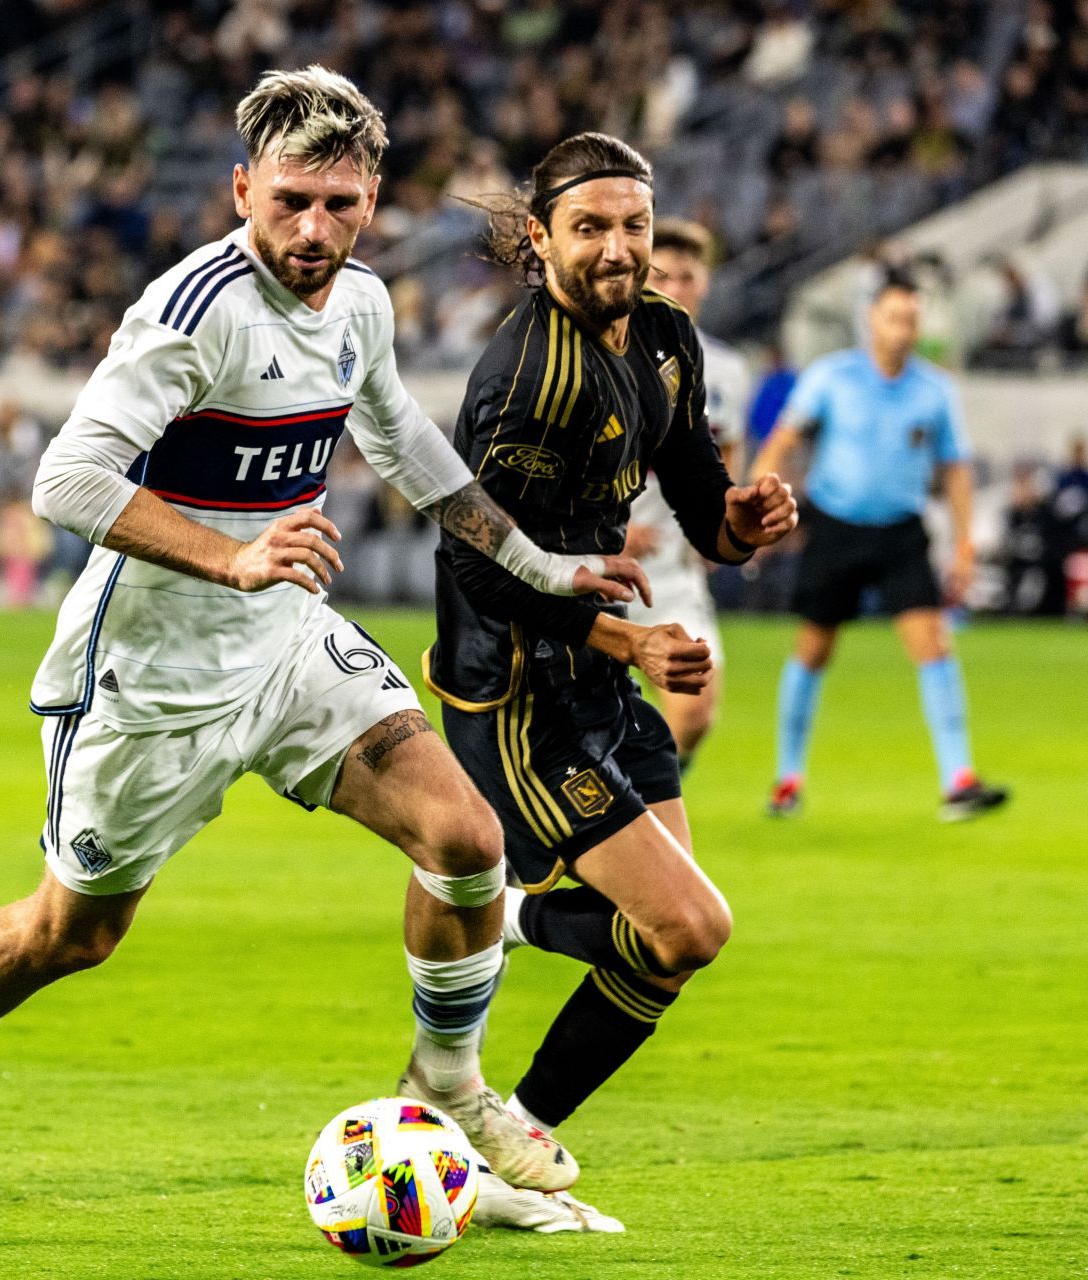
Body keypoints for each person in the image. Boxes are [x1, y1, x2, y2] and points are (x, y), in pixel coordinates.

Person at [0, 66, 648, 1210]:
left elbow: (402, 436)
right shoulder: (193, 310)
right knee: (72, 930)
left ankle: (449, 1083)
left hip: (284, 641)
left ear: (373, 199)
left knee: (466, 839)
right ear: (240, 189)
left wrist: (544, 568)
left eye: (341, 205)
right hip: (148, 672)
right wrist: (233, 553)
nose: (314, 232)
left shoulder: (360, 302)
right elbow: (66, 478)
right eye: (289, 202)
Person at [425, 132, 798, 1231]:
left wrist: (739, 525)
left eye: (633, 224)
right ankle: (499, 1097)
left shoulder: (668, 339)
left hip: (597, 668)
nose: (620, 247)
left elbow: (696, 497)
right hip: (515, 698)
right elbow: (472, 561)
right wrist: (622, 637)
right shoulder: (527, 380)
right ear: (539, 239)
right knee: (689, 924)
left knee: (666, 936)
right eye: (591, 227)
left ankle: (499, 1124)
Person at [750, 275, 1008, 821]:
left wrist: (965, 544)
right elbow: (783, 440)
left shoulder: (935, 389)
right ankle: (787, 779)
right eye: (894, 318)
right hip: (836, 526)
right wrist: (751, 505)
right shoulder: (832, 377)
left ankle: (958, 780)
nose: (903, 330)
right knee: (814, 650)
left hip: (900, 531)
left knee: (934, 644)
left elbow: (956, 472)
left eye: (911, 320)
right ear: (871, 321)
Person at [621, 218, 755, 771]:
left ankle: (628, 821)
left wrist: (721, 525)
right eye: (666, 276)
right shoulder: (615, 355)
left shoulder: (728, 370)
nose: (678, 288)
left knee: (695, 713)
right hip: (600, 558)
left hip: (674, 566)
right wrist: (608, 528)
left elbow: (728, 455)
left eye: (690, 276)